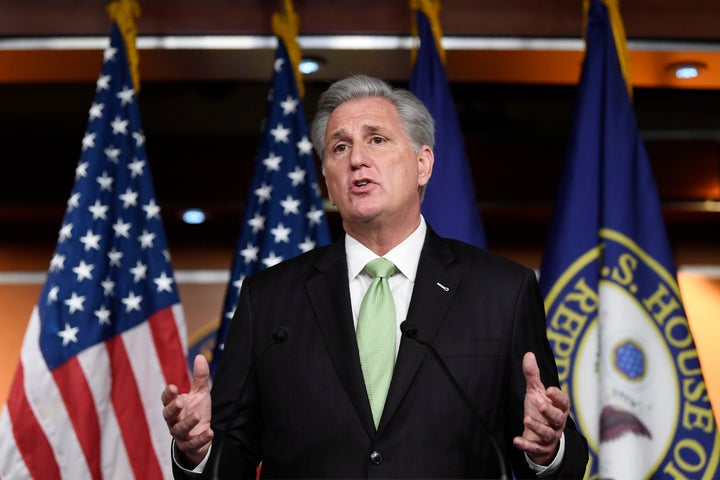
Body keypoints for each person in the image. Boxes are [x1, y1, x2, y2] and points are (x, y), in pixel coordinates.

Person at [161, 74, 588, 479]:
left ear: (423, 165)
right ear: (327, 179)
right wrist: (197, 452)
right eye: (339, 148)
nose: (357, 159)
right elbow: (229, 459)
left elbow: (553, 454)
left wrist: (548, 451)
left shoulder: (502, 293)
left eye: (377, 140)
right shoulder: (269, 299)